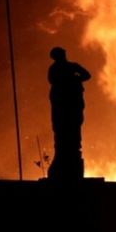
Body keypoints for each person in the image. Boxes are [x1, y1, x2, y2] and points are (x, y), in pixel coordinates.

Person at [47, 46, 90, 180]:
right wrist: (73, 79)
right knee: (61, 130)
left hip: (72, 104)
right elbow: (52, 80)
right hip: (62, 105)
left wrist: (76, 79)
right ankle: (63, 154)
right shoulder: (60, 68)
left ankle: (71, 153)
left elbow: (87, 75)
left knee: (72, 129)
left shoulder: (71, 67)